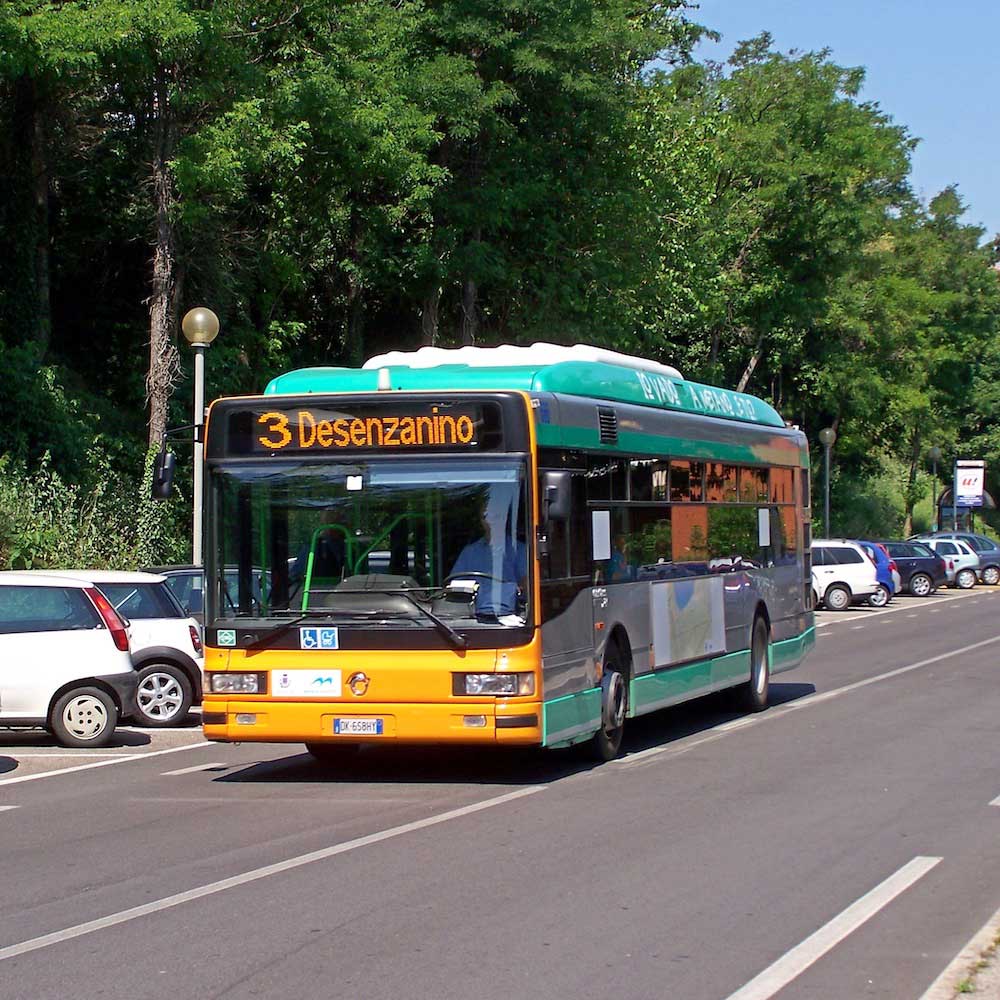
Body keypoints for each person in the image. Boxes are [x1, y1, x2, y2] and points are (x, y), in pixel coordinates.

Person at [449, 493, 527, 617]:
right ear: (481, 520)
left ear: (504, 517)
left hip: (511, 616)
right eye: (485, 516)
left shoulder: (520, 550)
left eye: (495, 515)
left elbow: (528, 584)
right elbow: (454, 586)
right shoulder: (469, 552)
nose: (490, 520)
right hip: (472, 618)